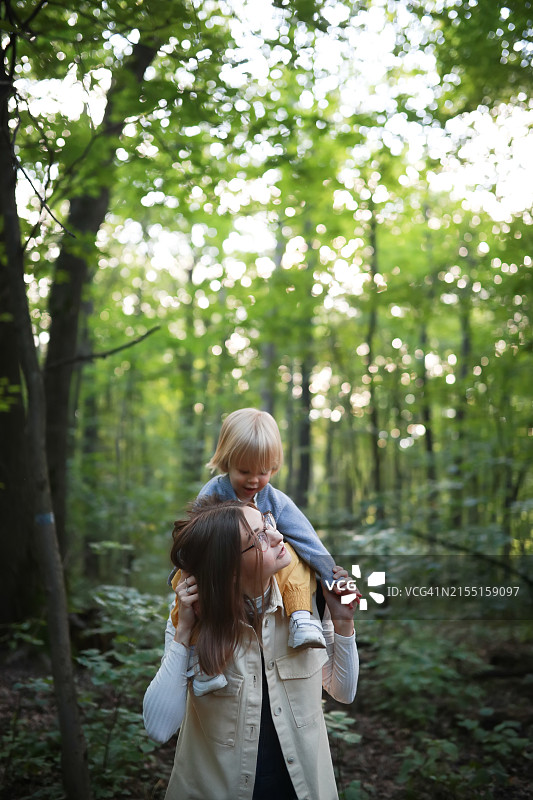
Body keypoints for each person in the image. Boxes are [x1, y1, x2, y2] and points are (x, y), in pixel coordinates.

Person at [143, 496, 359, 800]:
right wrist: (182, 632)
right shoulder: (192, 621)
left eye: (266, 523)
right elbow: (158, 727)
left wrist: (343, 622)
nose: (277, 535)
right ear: (229, 567)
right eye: (258, 537)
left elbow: (343, 691)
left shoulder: (307, 608)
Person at [170, 408, 342, 671]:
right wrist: (184, 573)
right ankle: (199, 656)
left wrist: (334, 578)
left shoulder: (275, 501)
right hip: (222, 576)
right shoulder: (213, 494)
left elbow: (308, 541)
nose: (253, 480)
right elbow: (193, 540)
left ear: (273, 466)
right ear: (226, 462)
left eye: (263, 471)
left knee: (292, 553)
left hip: (263, 582)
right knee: (189, 588)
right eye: (244, 470)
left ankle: (301, 617)